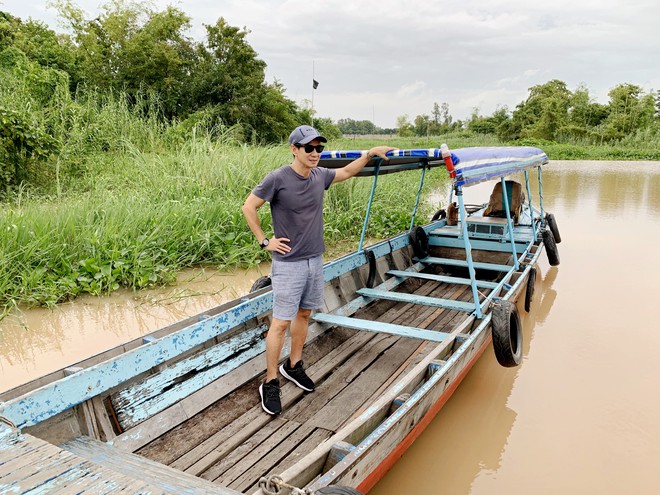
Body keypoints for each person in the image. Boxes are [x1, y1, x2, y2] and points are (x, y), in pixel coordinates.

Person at [242, 125, 395, 415]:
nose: (314, 153)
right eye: (308, 148)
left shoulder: (319, 175)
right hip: (288, 264)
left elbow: (347, 172)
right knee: (280, 324)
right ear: (294, 149)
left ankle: (294, 365)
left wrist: (369, 153)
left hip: (314, 260)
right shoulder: (278, 178)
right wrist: (265, 242)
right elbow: (249, 207)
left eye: (318, 148)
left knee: (304, 314)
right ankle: (270, 381)